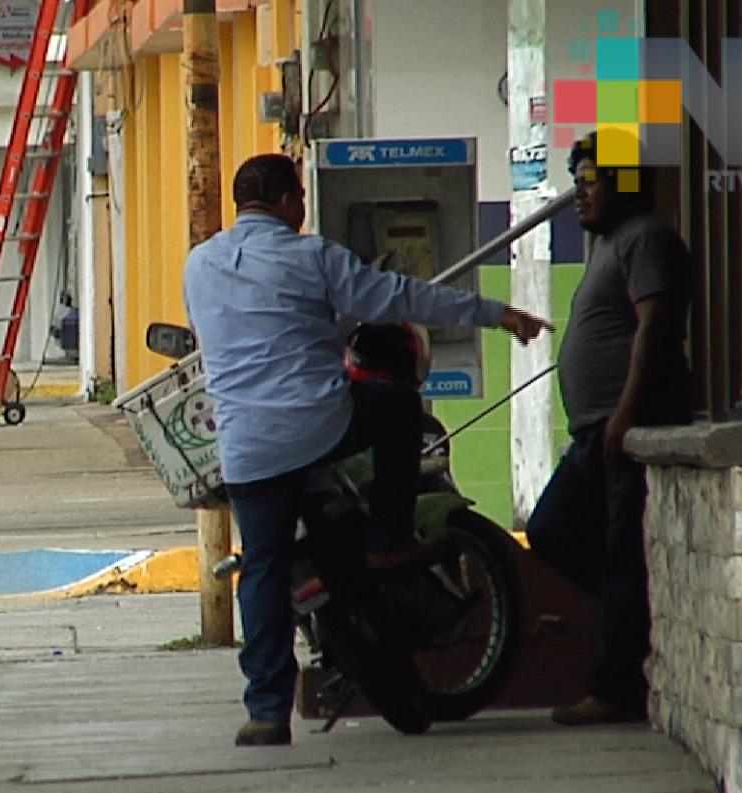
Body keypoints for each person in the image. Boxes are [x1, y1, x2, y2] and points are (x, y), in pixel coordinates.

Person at [183, 153, 551, 747]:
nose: (302, 208)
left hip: (245, 447)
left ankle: (266, 712)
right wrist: (495, 313)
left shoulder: (200, 265)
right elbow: (401, 297)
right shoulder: (312, 256)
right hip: (317, 428)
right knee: (400, 408)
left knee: (262, 569)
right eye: (298, 197)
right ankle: (386, 541)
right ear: (284, 202)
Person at [527, 131, 693, 727]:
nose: (580, 194)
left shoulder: (647, 238)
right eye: (577, 182)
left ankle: (616, 686)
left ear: (624, 182)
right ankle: (636, 613)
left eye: (591, 181)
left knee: (623, 553)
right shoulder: (605, 243)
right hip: (593, 434)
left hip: (626, 427)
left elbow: (654, 329)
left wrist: (626, 411)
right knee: (551, 530)